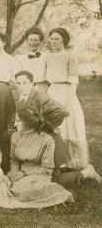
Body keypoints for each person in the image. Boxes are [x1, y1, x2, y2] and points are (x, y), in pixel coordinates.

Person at [0, 109, 74, 209]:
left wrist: (24, 173)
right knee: (2, 184)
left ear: (28, 123)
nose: (15, 124)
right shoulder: (15, 136)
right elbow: (14, 160)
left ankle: (81, 176)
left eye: (18, 121)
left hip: (40, 173)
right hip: (20, 173)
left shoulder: (47, 140)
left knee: (25, 191)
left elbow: (47, 169)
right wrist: (14, 173)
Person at [46, 28, 91, 170]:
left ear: (64, 40)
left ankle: (72, 163)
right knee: (53, 126)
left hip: (66, 92)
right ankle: (55, 162)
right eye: (52, 38)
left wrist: (66, 102)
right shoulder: (48, 57)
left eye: (57, 39)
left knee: (69, 127)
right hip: (52, 91)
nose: (53, 41)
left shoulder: (70, 57)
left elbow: (73, 82)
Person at [15, 28, 49, 93]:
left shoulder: (47, 57)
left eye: (36, 40)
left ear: (41, 42)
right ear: (27, 41)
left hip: (43, 88)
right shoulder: (20, 58)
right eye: (30, 40)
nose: (32, 43)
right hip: (27, 89)